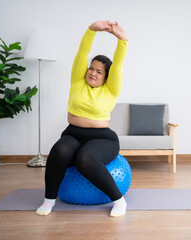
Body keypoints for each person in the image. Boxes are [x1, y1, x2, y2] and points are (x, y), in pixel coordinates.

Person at [36, 20, 128, 217]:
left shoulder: (111, 90)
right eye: (91, 68)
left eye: (99, 71)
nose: (93, 73)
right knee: (59, 150)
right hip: (73, 133)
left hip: (103, 139)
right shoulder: (78, 81)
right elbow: (82, 53)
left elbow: (118, 64)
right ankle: (49, 199)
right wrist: (91, 30)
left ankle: (119, 201)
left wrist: (122, 40)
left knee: (85, 158)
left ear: (106, 77)